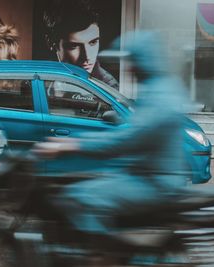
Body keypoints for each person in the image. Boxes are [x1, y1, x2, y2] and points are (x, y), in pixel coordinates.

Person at [34, 31, 190, 234]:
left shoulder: (160, 97)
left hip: (155, 183)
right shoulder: (158, 88)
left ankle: (101, 256)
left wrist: (72, 144)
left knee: (81, 198)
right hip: (143, 174)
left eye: (133, 61)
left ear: (143, 62)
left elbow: (128, 139)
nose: (130, 68)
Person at [42, 0, 119, 89]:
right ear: (51, 43)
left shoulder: (108, 87)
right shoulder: (42, 76)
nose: (87, 57)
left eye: (93, 42)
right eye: (74, 46)